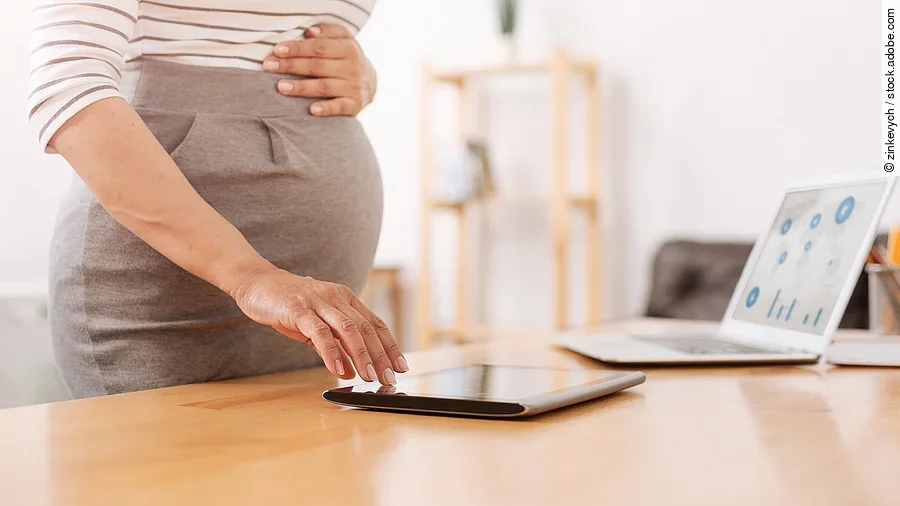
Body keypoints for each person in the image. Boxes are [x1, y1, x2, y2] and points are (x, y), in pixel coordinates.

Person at [27, 0, 407, 398]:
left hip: (311, 314)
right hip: (166, 292)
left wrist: (364, 74)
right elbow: (68, 83)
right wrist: (250, 277)